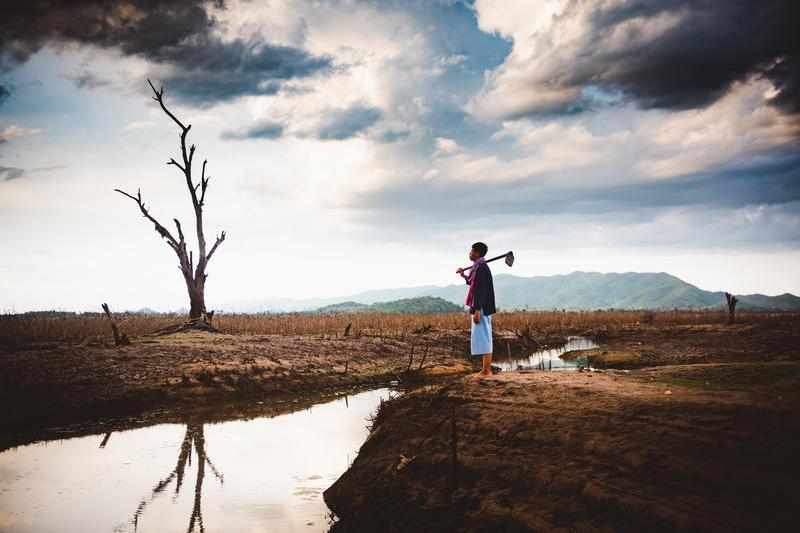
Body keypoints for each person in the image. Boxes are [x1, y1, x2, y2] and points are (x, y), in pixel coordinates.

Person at [456, 242, 496, 378]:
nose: (470, 253)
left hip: (482, 307)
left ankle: (486, 370)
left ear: (477, 253)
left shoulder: (481, 268)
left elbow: (480, 290)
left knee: (484, 337)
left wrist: (477, 310)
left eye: (472, 251)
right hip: (481, 307)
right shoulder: (477, 267)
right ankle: (486, 369)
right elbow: (473, 283)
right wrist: (463, 275)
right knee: (484, 336)